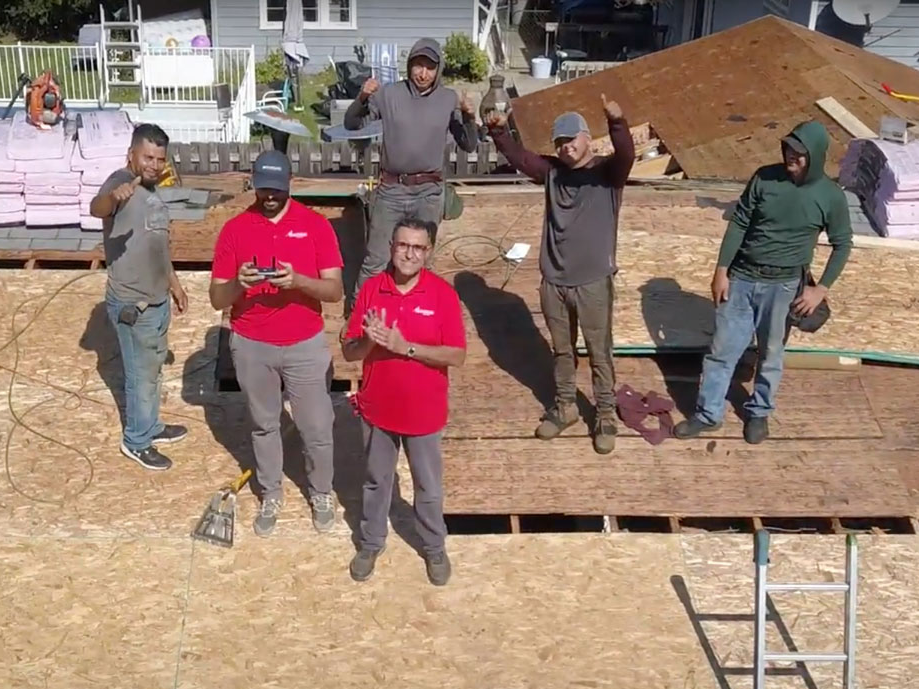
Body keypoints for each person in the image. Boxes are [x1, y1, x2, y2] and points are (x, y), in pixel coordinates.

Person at [674, 120, 853, 445]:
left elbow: (843, 243)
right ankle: (708, 415)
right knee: (722, 350)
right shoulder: (764, 178)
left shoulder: (830, 197)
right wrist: (721, 269)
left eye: (799, 153)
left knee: (771, 354)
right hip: (742, 278)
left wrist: (820, 288)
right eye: (788, 149)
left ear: (814, 156)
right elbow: (740, 222)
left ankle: (758, 413)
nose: (791, 157)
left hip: (784, 287)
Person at [209, 150, 347, 536]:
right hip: (252, 343)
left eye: (277, 189)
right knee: (264, 424)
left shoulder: (316, 226)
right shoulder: (235, 230)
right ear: (254, 183)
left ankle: (321, 491)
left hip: (304, 343)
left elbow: (335, 290)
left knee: (317, 426)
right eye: (264, 188)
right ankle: (271, 492)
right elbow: (217, 299)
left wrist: (298, 281)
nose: (270, 196)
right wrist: (241, 283)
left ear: (290, 184)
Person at [486, 95, 633, 454]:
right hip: (554, 280)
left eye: (571, 140)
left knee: (600, 352)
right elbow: (520, 158)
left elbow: (626, 154)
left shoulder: (607, 174)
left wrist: (617, 122)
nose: (566, 148)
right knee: (562, 351)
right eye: (559, 143)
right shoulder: (551, 173)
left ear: (587, 139)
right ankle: (566, 406)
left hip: (593, 281)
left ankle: (605, 414)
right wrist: (499, 132)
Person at [340, 218, 466, 586]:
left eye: (418, 248)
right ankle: (370, 542)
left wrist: (404, 347)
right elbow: (349, 352)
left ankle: (433, 546)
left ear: (428, 252)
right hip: (377, 409)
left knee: (428, 487)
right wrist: (369, 343)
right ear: (391, 247)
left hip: (424, 413)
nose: (409, 254)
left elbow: (456, 355)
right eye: (402, 246)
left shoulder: (442, 294)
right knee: (377, 481)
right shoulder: (371, 290)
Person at [89, 122, 191, 470]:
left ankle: (152, 426)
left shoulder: (152, 195)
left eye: (159, 159)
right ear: (131, 154)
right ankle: (136, 440)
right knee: (140, 376)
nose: (153, 165)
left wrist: (174, 284)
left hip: (157, 301)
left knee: (153, 371)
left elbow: (157, 247)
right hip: (133, 304)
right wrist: (111, 198)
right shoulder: (120, 182)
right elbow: (96, 207)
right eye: (147, 157)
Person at [343, 37, 479, 294]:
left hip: (428, 193)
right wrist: (362, 97)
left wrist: (470, 117)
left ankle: (415, 318)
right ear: (409, 66)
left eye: (430, 67)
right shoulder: (389, 94)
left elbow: (469, 144)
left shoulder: (449, 99)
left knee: (421, 260)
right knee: (377, 259)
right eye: (418, 65)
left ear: (438, 70)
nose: (423, 73)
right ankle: (358, 319)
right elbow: (352, 124)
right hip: (392, 190)